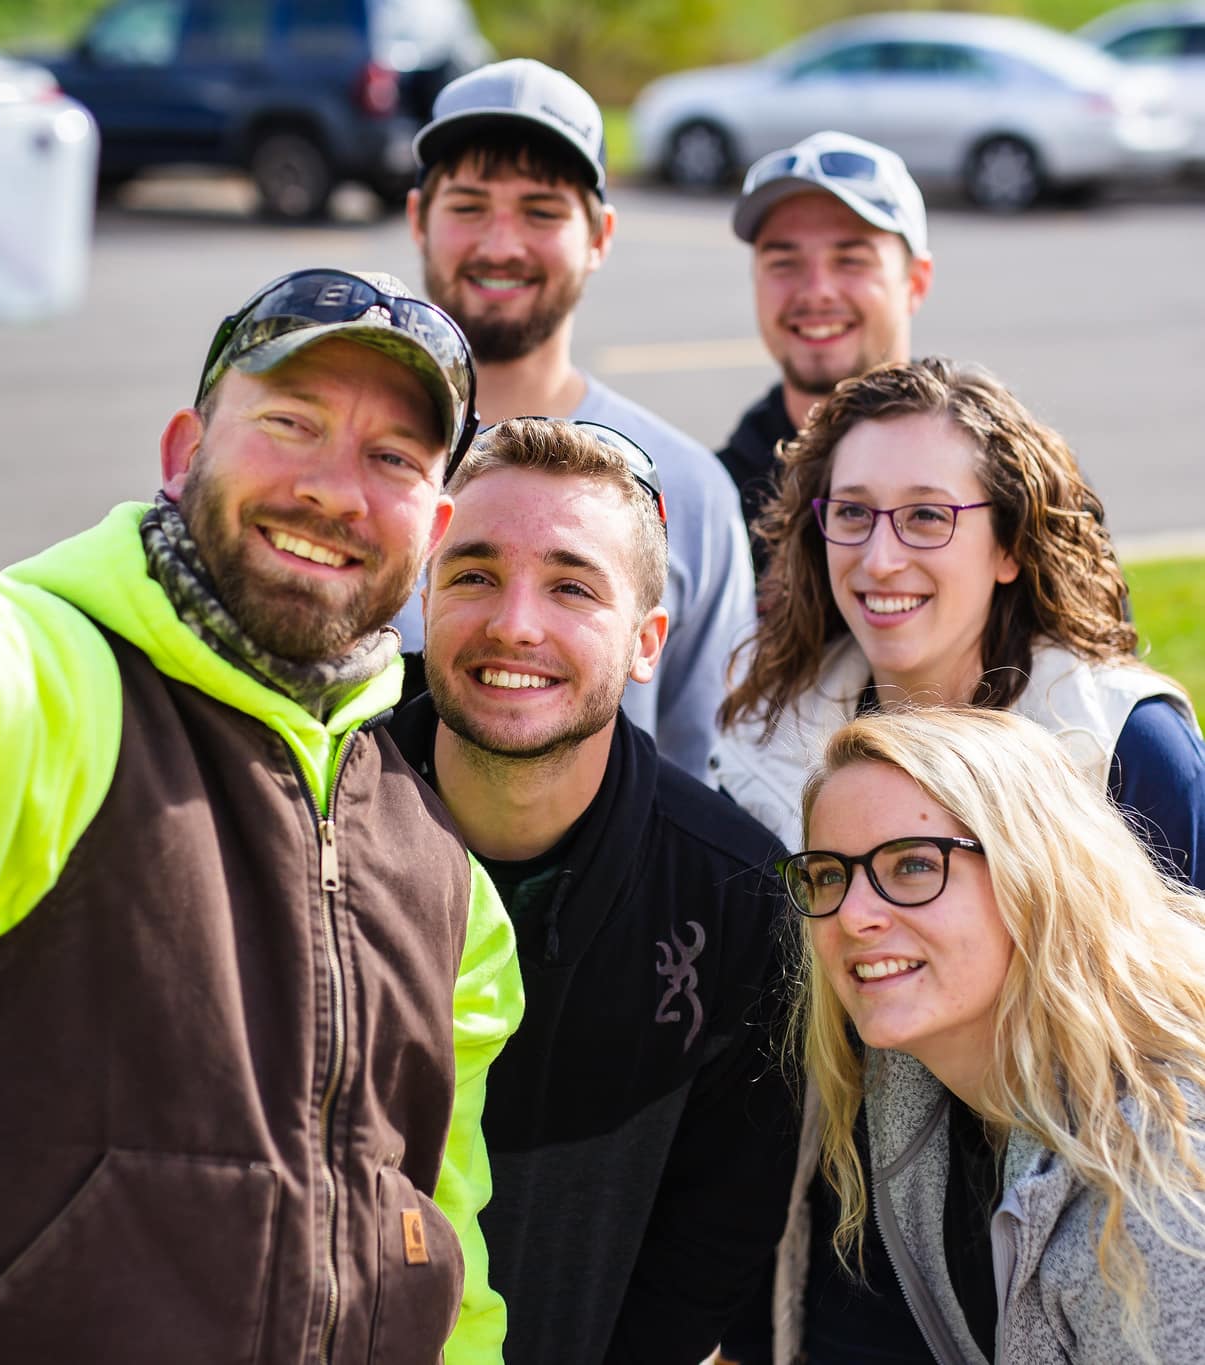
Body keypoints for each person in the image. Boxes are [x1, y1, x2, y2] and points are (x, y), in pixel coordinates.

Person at [0, 267, 524, 1364]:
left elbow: (446, 1264)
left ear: (435, 525)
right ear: (181, 452)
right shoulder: (44, 698)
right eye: (292, 423)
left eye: (392, 458)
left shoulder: (449, 888)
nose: (336, 492)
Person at [713, 355, 1204, 1365]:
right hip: (854, 1235)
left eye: (927, 516)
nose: (880, 557)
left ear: (1011, 544)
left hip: (1089, 1242)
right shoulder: (771, 735)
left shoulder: (1117, 744)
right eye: (851, 513)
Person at [388, 417, 797, 1363]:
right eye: (474, 573)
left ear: (647, 640)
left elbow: (710, 1247)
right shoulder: (306, 824)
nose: (514, 623)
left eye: (571, 585)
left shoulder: (739, 904)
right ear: (425, 594)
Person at [782, 706, 1205, 1363]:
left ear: (1034, 876)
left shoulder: (1163, 1189)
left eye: (913, 865)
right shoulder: (911, 1081)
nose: (855, 913)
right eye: (829, 873)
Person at [399, 56, 755, 782]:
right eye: (468, 206)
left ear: (599, 235)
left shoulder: (685, 489)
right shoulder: (352, 471)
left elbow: (705, 772)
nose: (500, 244)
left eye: (540, 211)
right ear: (417, 220)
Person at [717, 130, 934, 581]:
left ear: (915, 282)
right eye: (784, 262)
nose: (815, 292)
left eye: (850, 260)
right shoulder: (710, 503)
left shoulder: (999, 478)